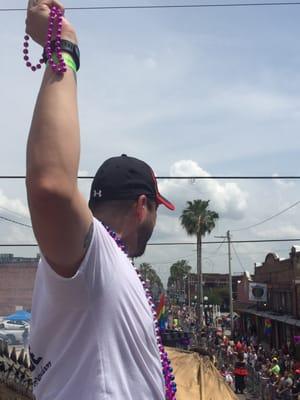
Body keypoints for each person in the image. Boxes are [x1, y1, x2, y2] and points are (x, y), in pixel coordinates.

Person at [25, 1, 175, 399]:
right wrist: (64, 46)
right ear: (142, 206)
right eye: (158, 209)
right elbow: (51, 186)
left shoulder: (101, 267)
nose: (156, 223)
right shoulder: (96, 260)